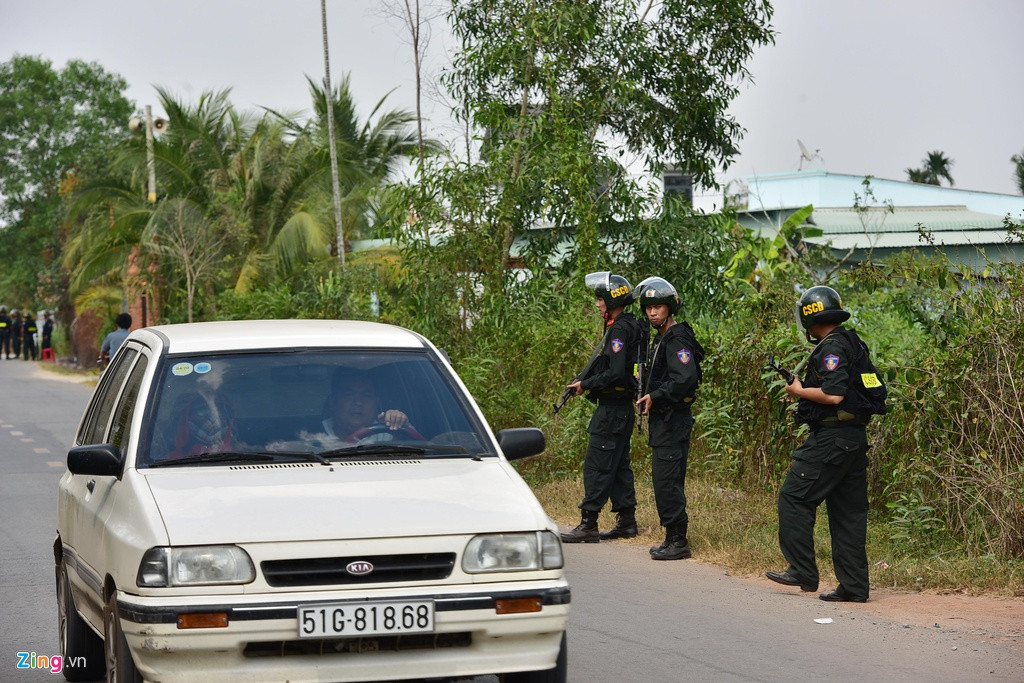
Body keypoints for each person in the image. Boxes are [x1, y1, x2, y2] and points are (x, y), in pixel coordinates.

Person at [765, 285, 875, 603]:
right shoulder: (851, 342)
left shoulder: (831, 348)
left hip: (833, 438)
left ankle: (801, 570)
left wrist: (798, 392)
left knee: (794, 497)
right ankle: (853, 587)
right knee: (848, 513)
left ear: (808, 318)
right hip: (854, 439)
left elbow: (835, 394)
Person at [560, 272, 643, 544]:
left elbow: (617, 373)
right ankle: (627, 522)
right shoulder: (629, 325)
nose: (597, 304)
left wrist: (587, 384)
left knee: (597, 464)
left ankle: (589, 523)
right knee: (619, 464)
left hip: (612, 408)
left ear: (611, 299)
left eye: (599, 299)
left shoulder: (619, 329)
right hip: (621, 408)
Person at [635, 277, 704, 561]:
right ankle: (670, 537)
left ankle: (678, 540)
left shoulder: (677, 338)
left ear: (670, 308)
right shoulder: (662, 337)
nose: (653, 312)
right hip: (664, 420)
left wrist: (657, 396)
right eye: (649, 307)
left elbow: (685, 379)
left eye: (659, 307)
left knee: (668, 480)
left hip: (674, 419)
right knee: (663, 480)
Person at [322, 369, 423, 442]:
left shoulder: (387, 433)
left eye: (366, 395)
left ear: (376, 403)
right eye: (349, 394)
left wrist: (400, 424)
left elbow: (420, 451)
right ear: (333, 402)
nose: (358, 402)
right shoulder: (313, 433)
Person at [163, 391, 235, 459]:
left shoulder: (239, 451)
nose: (213, 421)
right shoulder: (168, 460)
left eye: (220, 414)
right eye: (201, 413)